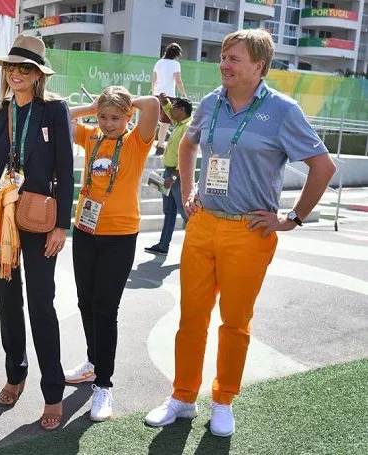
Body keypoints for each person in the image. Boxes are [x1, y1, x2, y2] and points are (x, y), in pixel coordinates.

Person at [145, 29, 336, 437]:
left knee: (234, 323)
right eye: (223, 56)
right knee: (191, 318)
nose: (224, 64)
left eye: (233, 58)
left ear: (258, 67)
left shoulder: (283, 110)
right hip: (203, 225)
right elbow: (187, 145)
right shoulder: (212, 101)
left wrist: (292, 218)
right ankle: (182, 397)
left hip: (249, 232)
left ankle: (223, 400)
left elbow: (324, 167)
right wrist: (186, 189)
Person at [0, 34, 74, 431]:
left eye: (25, 68)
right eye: (11, 67)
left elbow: (66, 171)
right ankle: (15, 373)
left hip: (39, 221)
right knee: (6, 302)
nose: (16, 74)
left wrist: (62, 225)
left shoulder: (54, 110)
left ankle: (53, 392)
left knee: (40, 305)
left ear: (38, 75)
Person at [64, 86, 159, 422]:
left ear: (127, 117)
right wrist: (92, 106)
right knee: (85, 302)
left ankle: (103, 384)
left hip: (120, 235)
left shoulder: (136, 141)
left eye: (114, 117)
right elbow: (61, 115)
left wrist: (124, 102)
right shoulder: (91, 137)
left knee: (105, 309)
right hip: (86, 231)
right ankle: (93, 362)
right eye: (103, 117)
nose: (107, 123)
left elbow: (154, 105)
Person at [144, 95, 192, 256]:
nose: (171, 111)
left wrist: (173, 177)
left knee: (185, 212)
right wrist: (165, 102)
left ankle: (196, 245)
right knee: (169, 211)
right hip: (169, 172)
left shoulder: (188, 127)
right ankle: (163, 245)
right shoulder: (179, 124)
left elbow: (186, 155)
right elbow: (169, 112)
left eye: (175, 108)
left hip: (177, 175)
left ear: (182, 110)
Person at [152, 43, 187, 155]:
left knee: (154, 121)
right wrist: (184, 94)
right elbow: (178, 80)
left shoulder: (158, 63)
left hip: (157, 94)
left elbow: (154, 80)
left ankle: (149, 144)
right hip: (168, 96)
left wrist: (154, 93)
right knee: (165, 122)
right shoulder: (175, 64)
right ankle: (160, 145)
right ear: (176, 54)